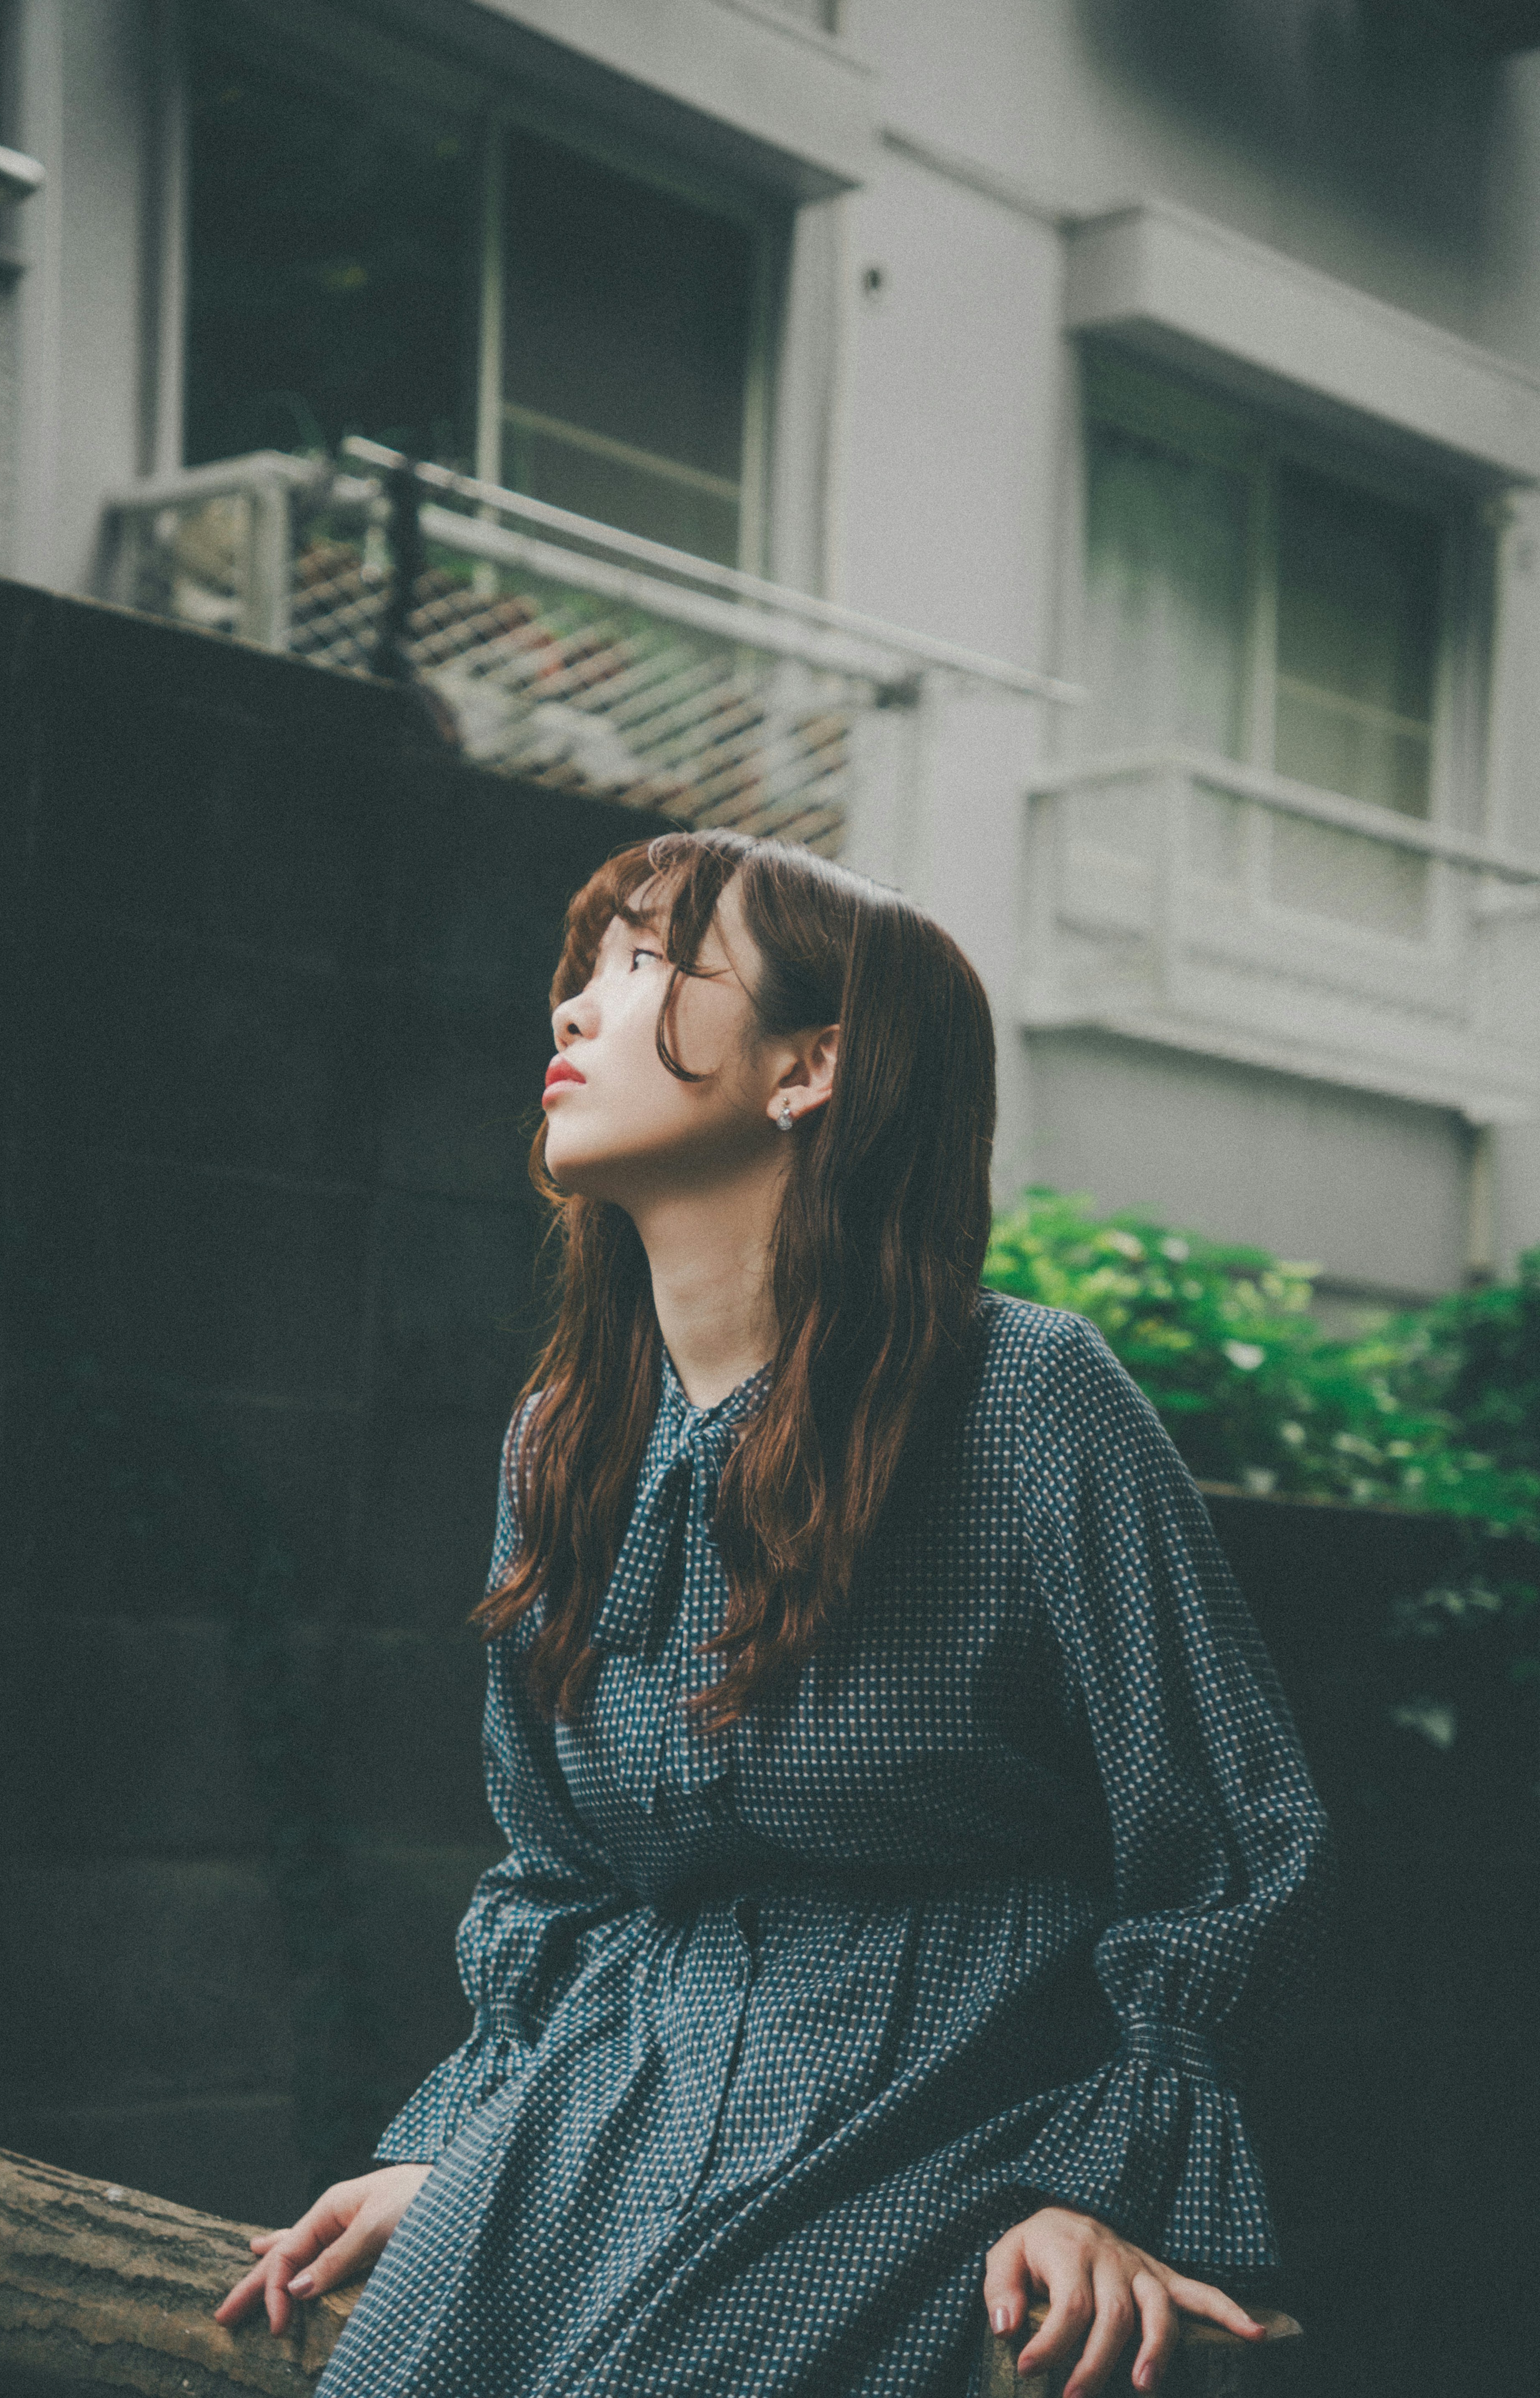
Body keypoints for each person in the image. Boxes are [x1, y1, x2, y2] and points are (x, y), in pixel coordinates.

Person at [217, 829, 1331, 2397]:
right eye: (588, 967)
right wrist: (470, 2155)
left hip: (941, 2118)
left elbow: (1230, 1855)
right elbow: (557, 1876)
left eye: (654, 962)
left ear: (810, 1067)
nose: (578, 1012)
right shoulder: (564, 1435)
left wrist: (1104, 2188)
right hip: (608, 2114)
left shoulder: (1028, 1403)